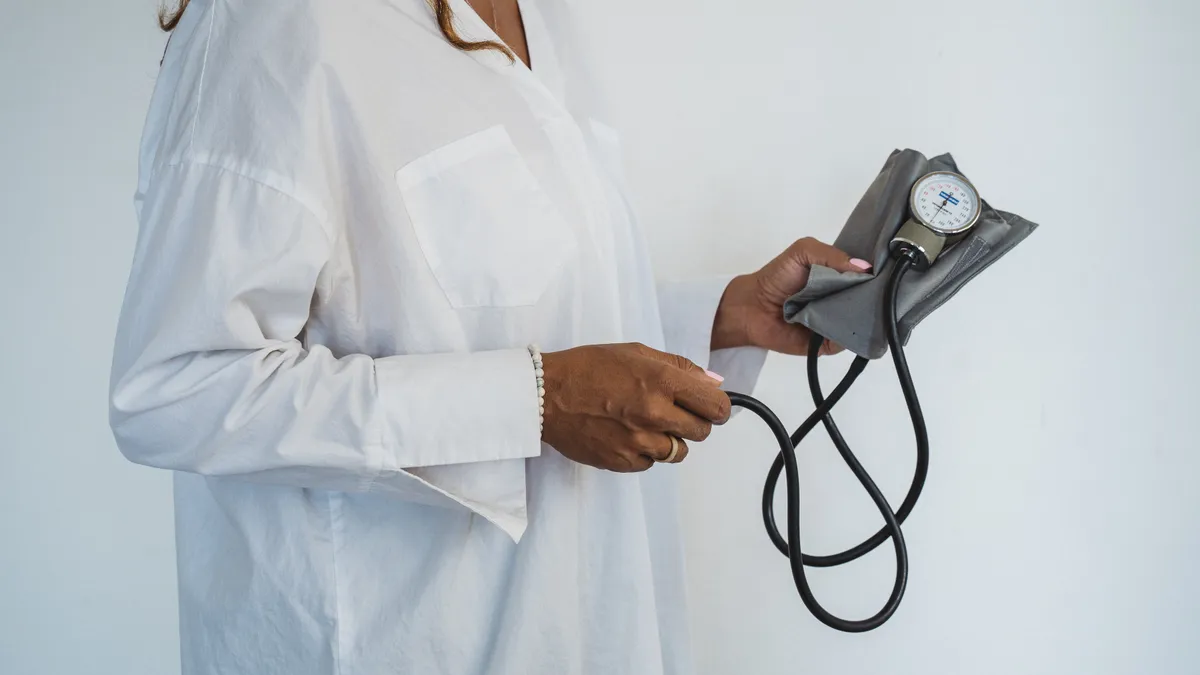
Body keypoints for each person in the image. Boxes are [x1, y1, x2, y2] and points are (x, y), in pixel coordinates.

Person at [109, 1, 872, 673]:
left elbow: (520, 307)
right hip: (402, 642)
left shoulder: (542, 19)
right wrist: (534, 399)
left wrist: (723, 315)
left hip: (590, 625)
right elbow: (177, 386)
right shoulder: (275, 24)